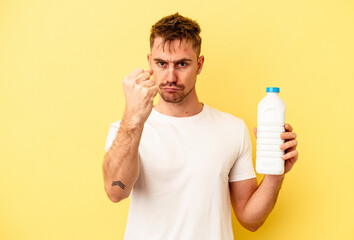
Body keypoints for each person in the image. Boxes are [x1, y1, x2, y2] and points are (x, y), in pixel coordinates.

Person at [102, 13, 298, 240]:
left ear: (199, 64)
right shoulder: (125, 130)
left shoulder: (232, 129)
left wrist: (276, 175)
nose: (171, 76)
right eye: (162, 63)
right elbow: (116, 191)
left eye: (182, 64)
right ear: (150, 63)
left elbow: (250, 219)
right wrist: (133, 119)